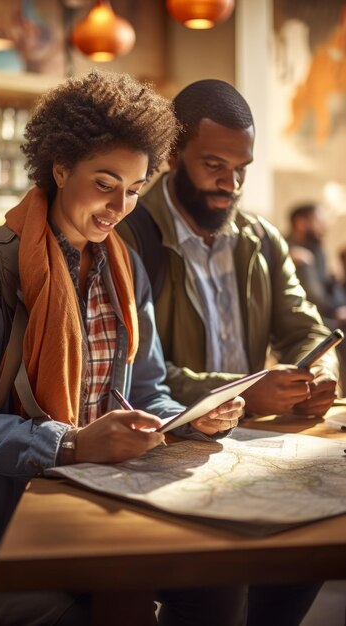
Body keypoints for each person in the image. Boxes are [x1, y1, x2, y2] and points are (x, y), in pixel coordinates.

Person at [0, 70, 247, 626]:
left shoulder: (124, 267)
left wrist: (195, 419)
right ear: (60, 167)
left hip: (108, 505)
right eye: (105, 184)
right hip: (9, 533)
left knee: (221, 589)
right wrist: (72, 444)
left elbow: (148, 392)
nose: (119, 207)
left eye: (134, 189)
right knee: (120, 608)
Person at [117, 78, 338, 420]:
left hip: (251, 442)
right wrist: (245, 391)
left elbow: (306, 331)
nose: (231, 185)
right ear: (172, 154)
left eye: (241, 169)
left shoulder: (262, 239)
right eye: (214, 165)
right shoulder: (127, 238)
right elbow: (135, 377)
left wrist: (321, 371)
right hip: (167, 444)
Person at [287, 202, 346, 392]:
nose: (324, 226)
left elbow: (327, 285)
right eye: (319, 221)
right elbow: (316, 300)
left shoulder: (317, 250)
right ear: (301, 222)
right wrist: (338, 311)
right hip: (308, 317)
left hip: (328, 310)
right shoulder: (292, 252)